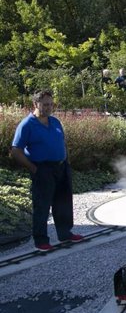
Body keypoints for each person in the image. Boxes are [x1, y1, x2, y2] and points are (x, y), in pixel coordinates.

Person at [10, 90, 84, 251]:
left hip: (61, 167)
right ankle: (41, 240)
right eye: (45, 104)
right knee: (42, 205)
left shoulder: (55, 122)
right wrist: (33, 168)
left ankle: (65, 234)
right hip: (42, 169)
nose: (49, 107)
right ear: (35, 104)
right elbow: (16, 150)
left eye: (51, 104)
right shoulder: (27, 124)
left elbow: (62, 142)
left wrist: (66, 161)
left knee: (63, 202)